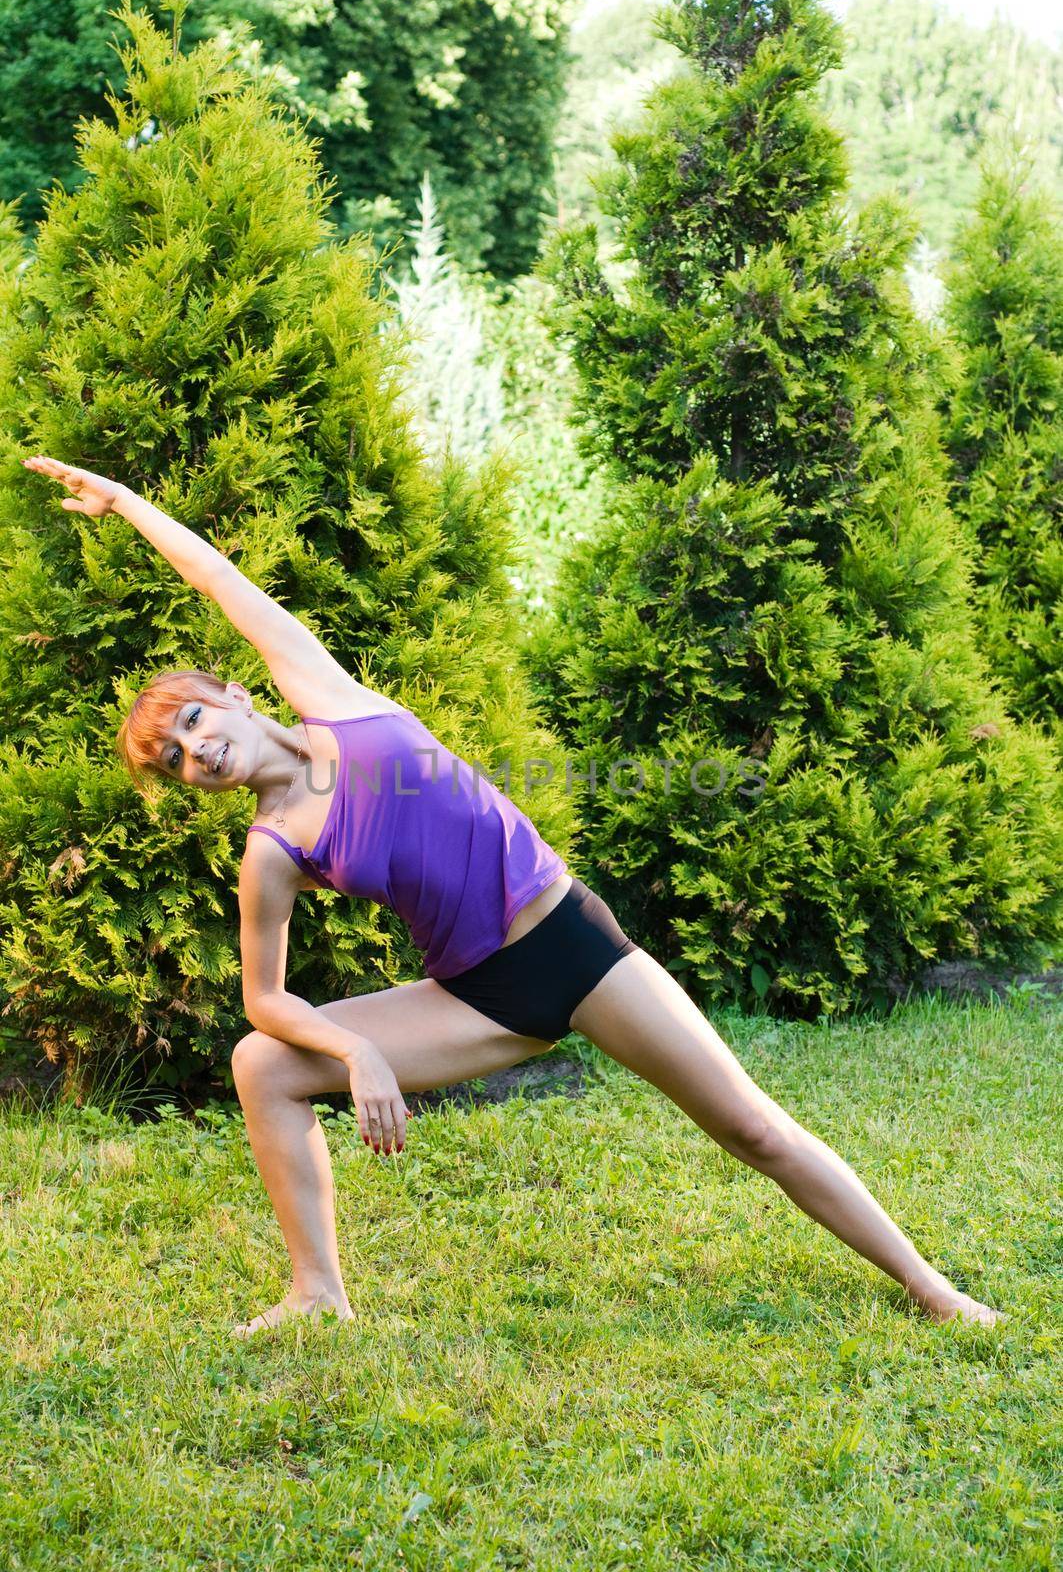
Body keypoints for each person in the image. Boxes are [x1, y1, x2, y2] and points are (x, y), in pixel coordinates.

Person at [22, 454, 1005, 1337]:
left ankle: (931, 1288)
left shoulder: (325, 695)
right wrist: (356, 1049)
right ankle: (315, 1289)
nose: (199, 748)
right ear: (193, 782)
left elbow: (219, 578)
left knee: (751, 1126)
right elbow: (264, 999)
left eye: (195, 719)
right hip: (477, 996)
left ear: (234, 695)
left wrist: (128, 504)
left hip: (572, 945)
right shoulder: (270, 853)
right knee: (261, 1062)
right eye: (180, 758)